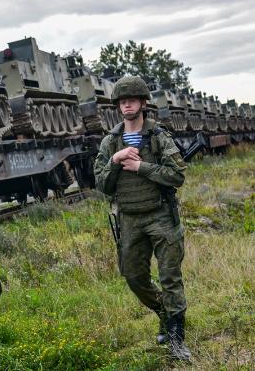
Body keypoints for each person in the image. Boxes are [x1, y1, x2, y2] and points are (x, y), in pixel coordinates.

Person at [93, 76, 192, 361]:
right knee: (134, 276)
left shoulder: (158, 135)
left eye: (132, 100)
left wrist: (141, 166)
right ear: (117, 106)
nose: (127, 105)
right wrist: (115, 161)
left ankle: (176, 338)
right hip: (129, 219)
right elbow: (101, 184)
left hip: (161, 215)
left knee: (170, 277)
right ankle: (164, 311)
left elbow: (177, 175)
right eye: (122, 101)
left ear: (143, 103)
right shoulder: (110, 142)